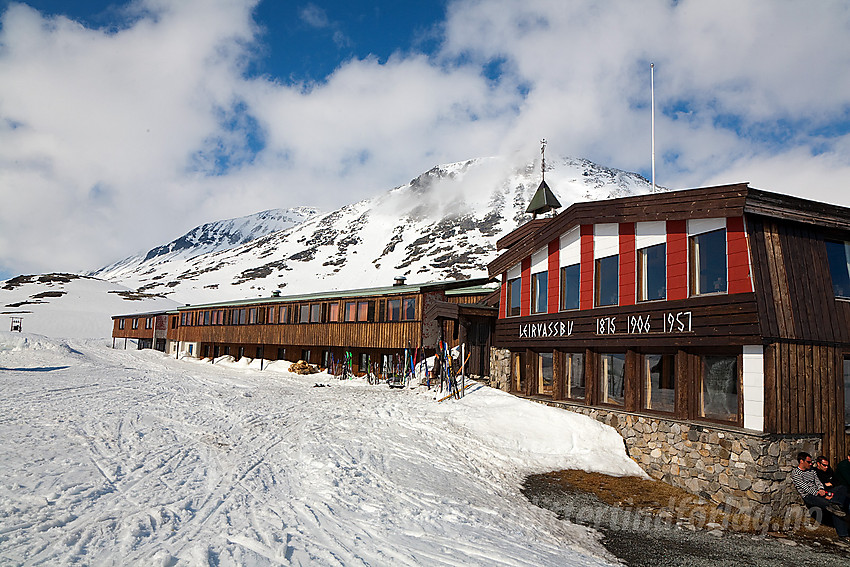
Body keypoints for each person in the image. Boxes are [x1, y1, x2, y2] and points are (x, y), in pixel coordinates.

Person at [791, 452, 849, 538]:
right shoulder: (796, 473)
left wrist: (821, 490)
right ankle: (843, 534)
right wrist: (819, 493)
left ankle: (836, 503)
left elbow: (817, 482)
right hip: (809, 496)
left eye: (811, 462)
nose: (810, 464)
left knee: (842, 489)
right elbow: (805, 488)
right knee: (832, 506)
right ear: (801, 461)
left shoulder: (811, 470)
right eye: (808, 462)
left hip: (820, 492)